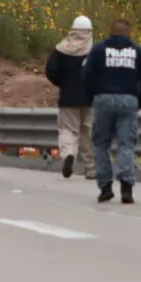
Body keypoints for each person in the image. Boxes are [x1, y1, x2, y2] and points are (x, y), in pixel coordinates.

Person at [82, 19, 141, 204]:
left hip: (103, 98)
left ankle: (105, 186)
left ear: (110, 33)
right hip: (128, 100)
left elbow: (86, 75)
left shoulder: (98, 50)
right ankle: (126, 187)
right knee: (126, 144)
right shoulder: (137, 52)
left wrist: (92, 97)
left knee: (100, 143)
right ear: (128, 33)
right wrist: (140, 100)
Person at [46, 16, 96, 180]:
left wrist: (62, 83)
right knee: (88, 133)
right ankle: (91, 168)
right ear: (89, 31)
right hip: (90, 99)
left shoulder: (61, 49)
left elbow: (50, 70)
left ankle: (69, 154)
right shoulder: (95, 51)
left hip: (68, 98)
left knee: (68, 130)